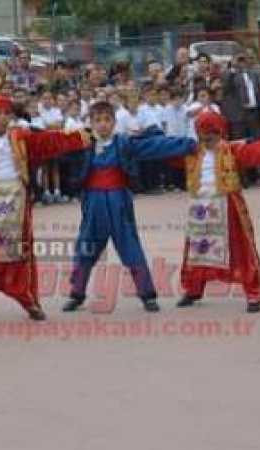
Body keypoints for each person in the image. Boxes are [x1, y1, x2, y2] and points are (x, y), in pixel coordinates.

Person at [0, 93, 90, 325]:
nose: (3, 118)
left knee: (19, 252)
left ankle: (27, 299)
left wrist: (78, 137)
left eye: (7, 114)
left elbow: (50, 140)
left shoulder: (21, 136)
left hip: (16, 198)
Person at [61, 101, 195, 313]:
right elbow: (52, 146)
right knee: (86, 246)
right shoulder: (83, 145)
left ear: (114, 122)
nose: (103, 125)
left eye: (107, 120)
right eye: (97, 120)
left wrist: (188, 144)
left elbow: (155, 146)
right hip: (93, 204)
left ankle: (147, 295)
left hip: (119, 202)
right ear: (90, 123)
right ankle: (76, 293)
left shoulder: (124, 143)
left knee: (130, 246)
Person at [172, 112, 260, 312]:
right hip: (200, 207)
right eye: (204, 134)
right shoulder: (191, 151)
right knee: (196, 251)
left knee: (241, 249)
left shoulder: (233, 149)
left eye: (212, 134)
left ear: (221, 132)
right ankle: (193, 289)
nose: (208, 138)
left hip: (228, 205)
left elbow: (258, 151)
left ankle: (253, 293)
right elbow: (165, 152)